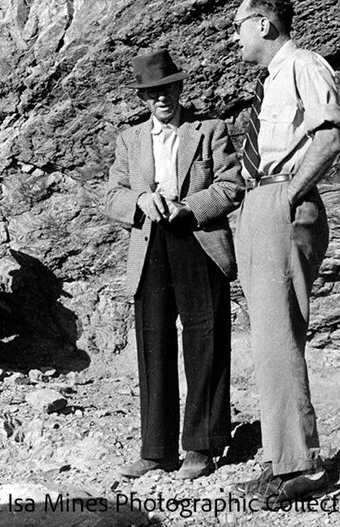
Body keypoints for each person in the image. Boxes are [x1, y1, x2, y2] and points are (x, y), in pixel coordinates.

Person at [229, 0, 340, 506]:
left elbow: (330, 137)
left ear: (265, 25)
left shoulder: (304, 65)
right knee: (270, 340)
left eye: (240, 26)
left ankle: (304, 466)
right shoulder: (273, 78)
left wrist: (288, 197)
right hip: (260, 203)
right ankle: (287, 460)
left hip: (281, 201)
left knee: (278, 337)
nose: (236, 37)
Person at [105, 50, 243, 481]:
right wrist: (142, 201)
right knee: (153, 342)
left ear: (180, 88)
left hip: (196, 239)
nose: (161, 99)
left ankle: (201, 446)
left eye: (167, 89)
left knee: (206, 339)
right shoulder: (129, 139)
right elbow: (111, 196)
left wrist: (189, 208)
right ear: (143, 98)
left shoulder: (209, 130)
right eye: (152, 93)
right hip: (149, 244)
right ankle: (156, 449)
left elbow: (231, 185)